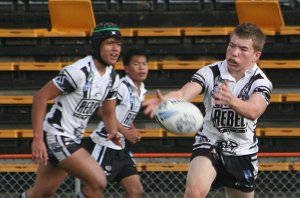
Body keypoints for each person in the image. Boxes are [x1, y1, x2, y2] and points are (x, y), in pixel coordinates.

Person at [143, 23, 273, 198]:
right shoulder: (211, 72)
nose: (234, 52)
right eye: (232, 45)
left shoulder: (260, 82)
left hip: (242, 151)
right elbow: (184, 92)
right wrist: (167, 101)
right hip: (210, 142)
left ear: (256, 55)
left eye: (243, 49)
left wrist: (231, 100)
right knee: (194, 192)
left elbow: (254, 110)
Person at [19, 22, 123, 198]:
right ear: (97, 46)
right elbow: (40, 97)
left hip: (72, 138)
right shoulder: (78, 72)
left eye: (119, 44)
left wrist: (113, 132)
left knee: (41, 193)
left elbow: (108, 112)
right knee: (97, 181)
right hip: (57, 135)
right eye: (110, 43)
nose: (115, 49)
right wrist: (37, 139)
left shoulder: (113, 77)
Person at [83, 47, 149, 198]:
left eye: (144, 64)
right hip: (105, 144)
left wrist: (132, 129)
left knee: (135, 190)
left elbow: (124, 113)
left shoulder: (142, 89)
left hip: (121, 147)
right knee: (95, 189)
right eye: (136, 64)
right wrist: (126, 132)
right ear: (126, 68)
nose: (141, 67)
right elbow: (103, 111)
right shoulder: (121, 86)